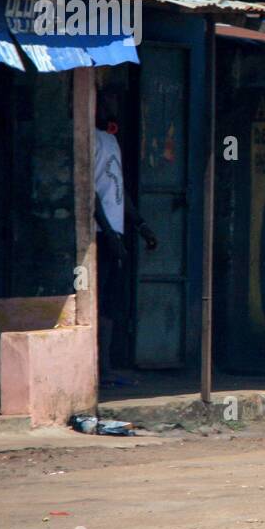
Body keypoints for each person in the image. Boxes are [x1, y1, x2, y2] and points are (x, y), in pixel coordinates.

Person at [93, 87, 157, 373]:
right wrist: (109, 235)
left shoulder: (111, 140)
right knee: (98, 301)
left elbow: (118, 189)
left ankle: (105, 366)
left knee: (109, 302)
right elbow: (90, 193)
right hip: (100, 233)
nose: (113, 105)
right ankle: (100, 367)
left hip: (114, 233)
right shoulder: (90, 139)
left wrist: (140, 224)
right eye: (108, 100)